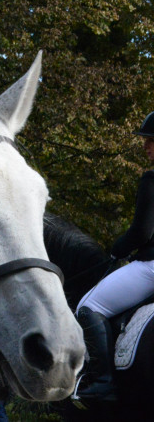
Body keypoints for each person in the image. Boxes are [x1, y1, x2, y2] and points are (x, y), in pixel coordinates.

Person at [73, 111, 154, 400]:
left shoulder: (151, 179)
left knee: (88, 307)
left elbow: (142, 232)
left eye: (150, 141)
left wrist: (117, 249)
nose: (145, 146)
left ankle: (103, 380)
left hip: (152, 266)